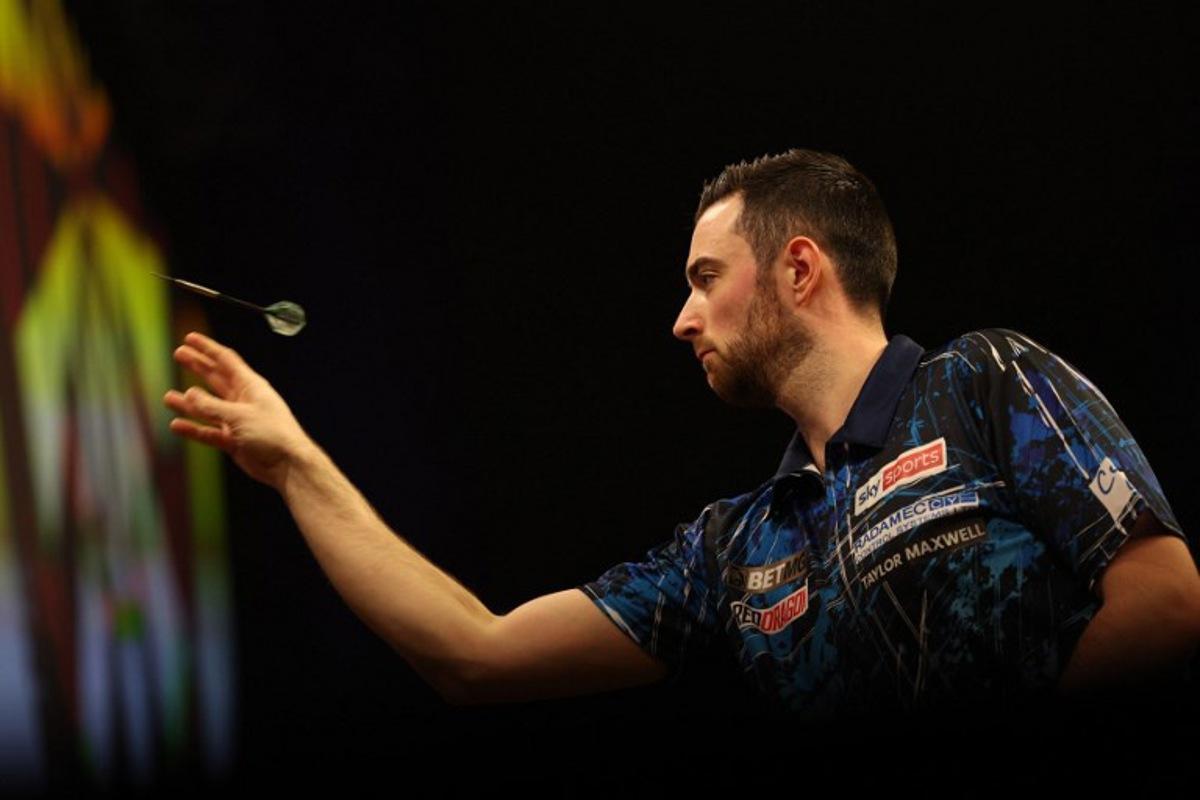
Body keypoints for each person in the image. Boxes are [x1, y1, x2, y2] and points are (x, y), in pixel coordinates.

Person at [163, 149, 1200, 720]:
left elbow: (1165, 600)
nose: (681, 318)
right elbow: (475, 652)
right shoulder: (732, 549)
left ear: (799, 269)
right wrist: (295, 462)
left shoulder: (982, 381)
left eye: (706, 279)